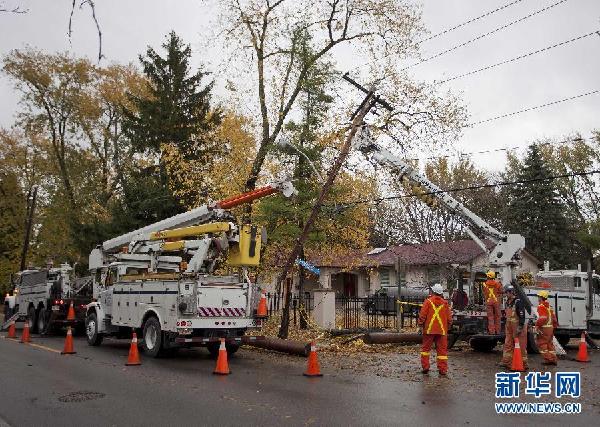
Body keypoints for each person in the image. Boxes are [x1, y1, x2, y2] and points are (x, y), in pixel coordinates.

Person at [418, 283, 452, 375]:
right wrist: (447, 327)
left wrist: (420, 325)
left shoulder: (428, 302)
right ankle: (443, 370)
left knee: (425, 349)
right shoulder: (445, 303)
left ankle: (425, 367)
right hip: (441, 331)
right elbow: (449, 318)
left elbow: (422, 315)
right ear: (440, 293)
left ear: (433, 291)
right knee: (442, 351)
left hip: (429, 330)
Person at [499, 285, 528, 369]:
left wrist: (520, 326)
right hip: (509, 326)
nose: (505, 294)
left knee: (520, 345)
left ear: (511, 292)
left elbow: (522, 315)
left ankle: (523, 363)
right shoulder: (508, 301)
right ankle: (507, 361)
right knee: (508, 343)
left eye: (507, 292)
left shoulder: (518, 302)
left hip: (517, 327)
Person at [535, 290, 558, 365]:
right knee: (550, 344)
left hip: (544, 328)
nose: (538, 298)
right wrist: (554, 326)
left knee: (542, 344)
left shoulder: (541, 306)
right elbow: (554, 318)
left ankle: (549, 359)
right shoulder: (549, 307)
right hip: (550, 328)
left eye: (538, 297)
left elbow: (543, 318)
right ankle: (553, 358)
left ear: (541, 297)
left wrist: (537, 325)